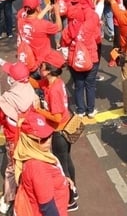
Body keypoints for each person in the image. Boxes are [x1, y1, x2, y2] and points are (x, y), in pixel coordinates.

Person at [33, 51, 78, 211]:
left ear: (49, 70)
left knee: (62, 166)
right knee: (67, 159)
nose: (39, 68)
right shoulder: (54, 82)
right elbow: (38, 84)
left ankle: (70, 199)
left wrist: (39, 111)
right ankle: (74, 190)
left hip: (59, 133)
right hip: (67, 128)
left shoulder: (54, 90)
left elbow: (57, 117)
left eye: (42, 66)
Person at [13, 110, 72, 216]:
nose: (49, 140)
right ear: (29, 141)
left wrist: (62, 180)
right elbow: (48, 208)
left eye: (50, 134)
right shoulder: (38, 168)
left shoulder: (34, 153)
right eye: (43, 139)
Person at [0, 60, 38, 210]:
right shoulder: (29, 89)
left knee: (11, 168)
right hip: (31, 136)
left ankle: (8, 200)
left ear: (12, 79)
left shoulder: (6, 99)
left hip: (14, 139)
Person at [61, 0, 102, 118]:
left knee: (78, 85)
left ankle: (80, 110)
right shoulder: (90, 24)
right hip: (91, 58)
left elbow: (64, 42)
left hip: (74, 59)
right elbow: (97, 39)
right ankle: (90, 110)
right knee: (90, 85)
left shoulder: (69, 28)